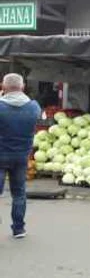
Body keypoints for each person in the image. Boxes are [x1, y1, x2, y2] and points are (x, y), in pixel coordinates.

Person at [0, 73, 41, 238]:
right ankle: (18, 229)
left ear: (3, 87)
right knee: (18, 193)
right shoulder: (34, 107)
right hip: (21, 157)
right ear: (23, 87)